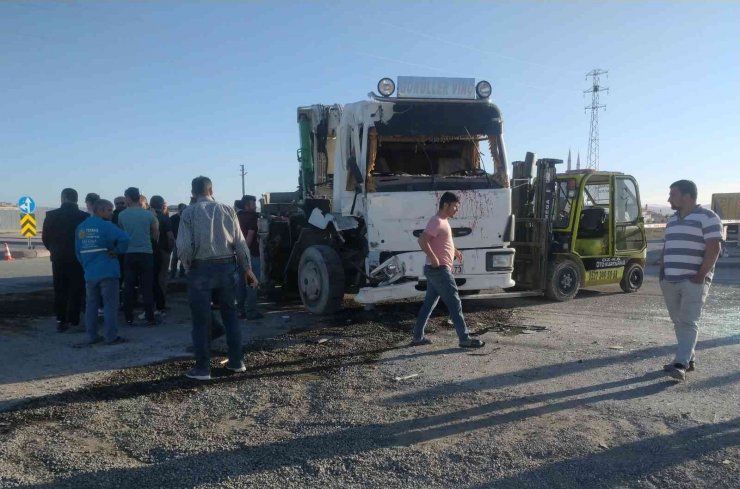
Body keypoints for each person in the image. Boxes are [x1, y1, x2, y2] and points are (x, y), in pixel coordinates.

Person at [177, 176, 258, 380]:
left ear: (193, 192)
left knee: (201, 320)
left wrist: (187, 266)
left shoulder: (188, 213)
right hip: (227, 268)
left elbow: (184, 246)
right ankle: (237, 362)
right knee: (230, 316)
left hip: (200, 268)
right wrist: (247, 268)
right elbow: (240, 242)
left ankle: (203, 369)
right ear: (211, 190)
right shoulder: (228, 210)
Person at [660, 180, 722, 381]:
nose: (669, 198)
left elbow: (714, 248)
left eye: (673, 194)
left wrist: (700, 276)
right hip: (670, 280)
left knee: (688, 321)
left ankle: (680, 364)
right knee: (678, 321)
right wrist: (662, 272)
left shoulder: (708, 218)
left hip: (693, 280)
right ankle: (689, 358)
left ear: (687, 196)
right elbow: (666, 248)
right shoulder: (671, 220)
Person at [412, 192, 485, 348]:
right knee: (455, 303)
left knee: (429, 304)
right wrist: (433, 257)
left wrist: (455, 251)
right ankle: (464, 339)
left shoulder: (443, 221)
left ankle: (417, 337)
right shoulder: (437, 221)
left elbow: (443, 242)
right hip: (439, 270)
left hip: (436, 270)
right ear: (446, 205)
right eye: (455, 206)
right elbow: (422, 240)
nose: (456, 210)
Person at [75, 199, 130, 345]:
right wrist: (117, 251)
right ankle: (111, 336)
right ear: (100, 210)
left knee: (91, 305)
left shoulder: (81, 227)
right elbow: (125, 238)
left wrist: (86, 265)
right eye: (109, 210)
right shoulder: (107, 226)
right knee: (110, 305)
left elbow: (78, 252)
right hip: (108, 271)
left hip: (90, 273)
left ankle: (91, 335)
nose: (112, 213)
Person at [42, 188, 90, 332]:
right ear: (76, 199)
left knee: (60, 288)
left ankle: (61, 319)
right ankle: (74, 318)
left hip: (59, 257)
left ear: (62, 198)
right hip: (78, 258)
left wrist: (54, 250)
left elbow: (45, 237)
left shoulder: (51, 216)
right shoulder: (84, 217)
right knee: (77, 288)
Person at [117, 187, 160, 326]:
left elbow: (122, 233)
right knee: (147, 286)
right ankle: (150, 316)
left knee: (128, 286)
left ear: (128, 197)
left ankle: (128, 317)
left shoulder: (122, 215)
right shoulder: (148, 215)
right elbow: (155, 233)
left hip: (129, 253)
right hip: (146, 253)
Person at [237, 195, 264, 320]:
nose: (255, 206)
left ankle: (240, 311)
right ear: (246, 205)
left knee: (241, 284)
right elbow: (250, 237)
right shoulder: (253, 218)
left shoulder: (237, 216)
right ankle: (251, 312)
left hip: (237, 256)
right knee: (252, 284)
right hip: (251, 256)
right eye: (253, 204)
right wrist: (245, 253)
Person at [149, 195, 174, 315]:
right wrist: (170, 249)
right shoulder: (165, 218)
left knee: (150, 277)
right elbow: (170, 237)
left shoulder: (148, 216)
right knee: (162, 278)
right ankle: (161, 302)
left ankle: (151, 300)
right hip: (163, 250)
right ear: (162, 205)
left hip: (149, 251)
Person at [169, 203, 187, 278]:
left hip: (184, 240)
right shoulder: (173, 218)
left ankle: (182, 273)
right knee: (175, 257)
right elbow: (170, 230)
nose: (183, 211)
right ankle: (173, 273)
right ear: (179, 209)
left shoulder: (186, 218)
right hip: (176, 240)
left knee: (183, 257)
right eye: (182, 209)